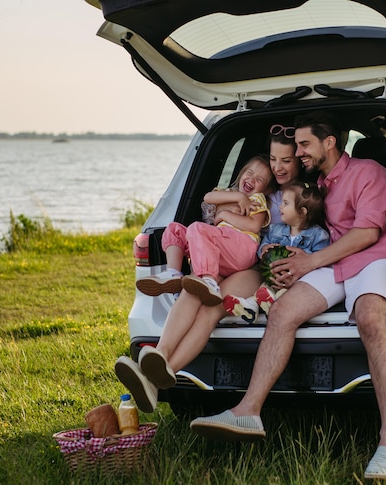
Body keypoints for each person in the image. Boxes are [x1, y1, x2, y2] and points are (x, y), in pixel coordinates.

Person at [189, 111, 386, 481]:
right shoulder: (318, 184)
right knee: (282, 312)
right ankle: (248, 410)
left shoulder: (370, 172)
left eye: (305, 144)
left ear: (330, 142)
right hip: (335, 260)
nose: (299, 152)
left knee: (370, 318)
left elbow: (367, 235)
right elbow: (292, 219)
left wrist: (309, 263)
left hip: (378, 256)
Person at [114, 127, 305, 415]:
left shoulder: (302, 194)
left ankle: (162, 375)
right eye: (274, 159)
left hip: (252, 265)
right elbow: (209, 200)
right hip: (217, 253)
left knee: (209, 311)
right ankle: (159, 358)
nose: (278, 167)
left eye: (285, 161)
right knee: (191, 295)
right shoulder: (235, 192)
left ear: (300, 160)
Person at [134, 155, 275, 306]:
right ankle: (173, 272)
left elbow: (254, 226)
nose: (252, 179)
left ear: (266, 189)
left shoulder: (257, 199)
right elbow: (208, 197)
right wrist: (238, 197)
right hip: (222, 248)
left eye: (260, 180)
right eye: (249, 173)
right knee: (174, 229)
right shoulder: (228, 193)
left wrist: (223, 215)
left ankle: (209, 280)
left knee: (197, 228)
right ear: (241, 173)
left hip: (242, 248)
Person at [223, 180, 329, 323]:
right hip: (273, 276)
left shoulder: (318, 235)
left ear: (302, 212)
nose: (280, 207)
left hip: (298, 280)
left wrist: (303, 256)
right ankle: (251, 306)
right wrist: (264, 249)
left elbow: (321, 259)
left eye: (286, 203)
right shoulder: (276, 229)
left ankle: (271, 303)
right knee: (265, 286)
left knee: (283, 292)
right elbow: (265, 243)